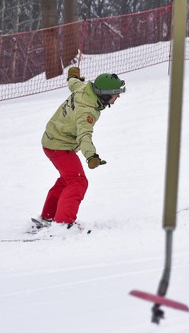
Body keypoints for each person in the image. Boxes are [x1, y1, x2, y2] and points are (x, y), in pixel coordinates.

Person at [38, 67, 126, 229]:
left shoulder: (84, 88)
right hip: (59, 145)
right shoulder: (87, 111)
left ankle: (48, 217)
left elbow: (74, 83)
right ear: (105, 95)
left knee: (67, 179)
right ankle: (63, 223)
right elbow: (84, 136)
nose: (118, 96)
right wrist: (91, 156)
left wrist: (72, 76)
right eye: (116, 94)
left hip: (52, 139)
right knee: (78, 181)